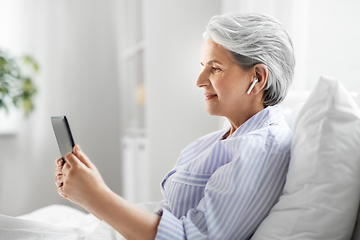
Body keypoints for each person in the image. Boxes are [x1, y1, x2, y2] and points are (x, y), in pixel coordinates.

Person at [55, 12, 295, 240]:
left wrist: (97, 197)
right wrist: (85, 190)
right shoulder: (228, 137)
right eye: (203, 66)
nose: (199, 81)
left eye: (215, 68)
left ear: (259, 78)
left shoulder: (259, 148)